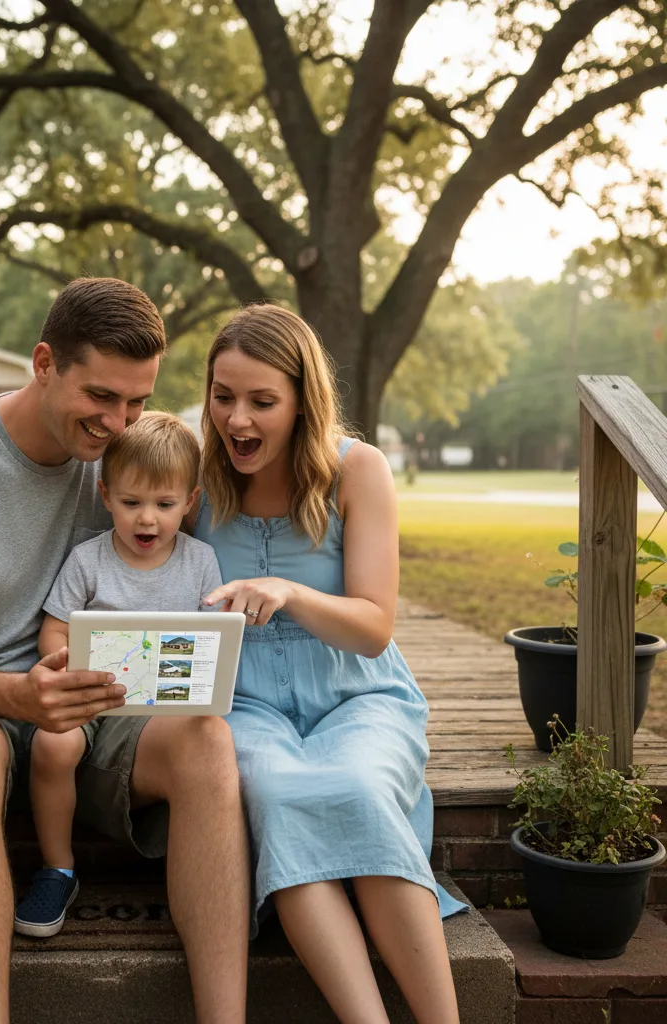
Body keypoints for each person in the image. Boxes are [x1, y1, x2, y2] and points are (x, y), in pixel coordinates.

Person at [0, 279, 249, 1024]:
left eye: (136, 402)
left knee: (207, 740)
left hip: (84, 701)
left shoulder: (118, 462)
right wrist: (13, 697)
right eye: (102, 396)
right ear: (44, 362)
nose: (118, 424)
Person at [192, 304, 466, 1024]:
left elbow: (374, 628)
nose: (237, 421)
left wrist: (288, 590)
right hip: (243, 700)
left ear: (302, 400)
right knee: (281, 793)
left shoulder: (358, 469)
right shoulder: (196, 472)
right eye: (223, 397)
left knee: (355, 787)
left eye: (262, 402)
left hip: (358, 694)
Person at [14, 411, 224, 937]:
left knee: (209, 744)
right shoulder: (88, 561)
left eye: (164, 504)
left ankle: (196, 884)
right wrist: (65, 664)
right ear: (106, 496)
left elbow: (208, 643)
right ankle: (57, 868)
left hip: (157, 712)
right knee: (51, 745)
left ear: (190, 501)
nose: (146, 520)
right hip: (90, 696)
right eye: (131, 503)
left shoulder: (200, 562)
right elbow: (54, 632)